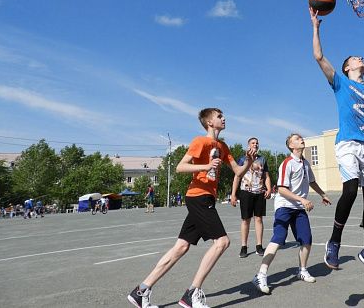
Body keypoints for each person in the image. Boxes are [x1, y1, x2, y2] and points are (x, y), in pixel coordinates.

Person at [127, 107, 256, 308]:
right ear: (209, 122)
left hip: (206, 198)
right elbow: (180, 167)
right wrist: (205, 167)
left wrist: (249, 160)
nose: (224, 118)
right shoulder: (200, 141)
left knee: (181, 247)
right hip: (198, 196)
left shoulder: (223, 146)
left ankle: (140, 291)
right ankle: (192, 294)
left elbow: (238, 171)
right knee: (222, 242)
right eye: (220, 116)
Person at [310, 8, 364, 279]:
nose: (360, 58)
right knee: (351, 191)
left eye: (361, 57)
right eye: (356, 57)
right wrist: (316, 27)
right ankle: (334, 241)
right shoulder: (340, 83)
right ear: (347, 67)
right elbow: (318, 56)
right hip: (347, 144)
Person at [252, 133, 331, 294]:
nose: (301, 139)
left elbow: (312, 182)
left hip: (298, 208)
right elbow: (281, 189)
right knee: (279, 238)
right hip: (285, 206)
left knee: (306, 239)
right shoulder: (287, 163)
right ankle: (260, 275)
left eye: (301, 137)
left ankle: (302, 270)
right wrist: (302, 200)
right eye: (297, 139)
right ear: (291, 146)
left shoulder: (306, 163)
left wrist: (323, 194)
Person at [231, 137, 272, 258]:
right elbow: (237, 177)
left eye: (257, 143)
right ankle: (244, 246)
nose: (255, 144)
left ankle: (259, 246)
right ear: (248, 146)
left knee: (258, 219)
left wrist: (268, 189)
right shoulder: (243, 159)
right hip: (246, 192)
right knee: (246, 220)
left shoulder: (262, 159)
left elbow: (266, 176)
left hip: (259, 192)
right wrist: (233, 194)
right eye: (253, 143)